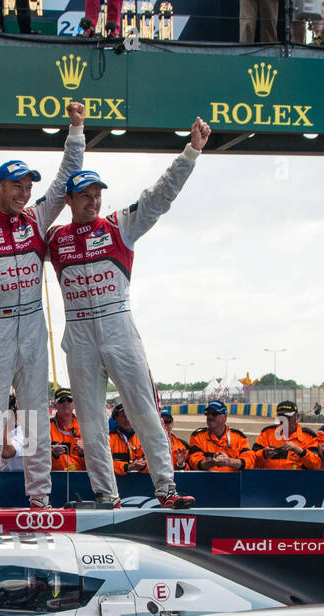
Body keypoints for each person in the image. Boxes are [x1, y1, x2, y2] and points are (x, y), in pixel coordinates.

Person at [46, 117, 213, 509]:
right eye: (84, 194)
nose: (93, 200)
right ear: (68, 201)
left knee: (143, 409)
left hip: (119, 325)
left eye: (97, 193)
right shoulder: (54, 238)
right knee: (90, 421)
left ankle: (166, 488)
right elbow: (11, 245)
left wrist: (191, 153)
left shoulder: (120, 225)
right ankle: (107, 494)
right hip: (79, 333)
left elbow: (159, 196)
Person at [0, 101, 84, 510]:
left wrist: (76, 131)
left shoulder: (35, 217)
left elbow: (67, 176)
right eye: (17, 185)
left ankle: (40, 498)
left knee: (35, 417)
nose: (25, 191)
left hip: (32, 322)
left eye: (28, 185)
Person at [188, 400, 254, 472]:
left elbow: (249, 461)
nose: (210, 416)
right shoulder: (197, 437)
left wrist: (229, 461)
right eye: (208, 413)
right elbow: (194, 462)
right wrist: (212, 463)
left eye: (214, 414)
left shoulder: (239, 438)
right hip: (206, 480)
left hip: (232, 480)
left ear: (225, 417)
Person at [254, 400, 320, 469]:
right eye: (281, 417)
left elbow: (316, 465)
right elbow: (252, 461)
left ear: (297, 416)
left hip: (297, 479)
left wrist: (300, 451)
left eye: (288, 417)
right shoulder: (267, 433)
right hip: (270, 478)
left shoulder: (309, 436)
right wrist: (264, 454)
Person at [50, 386, 85, 472]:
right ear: (55, 405)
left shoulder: (84, 428)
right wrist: (54, 455)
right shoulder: (46, 427)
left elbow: (95, 463)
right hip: (56, 478)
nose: (65, 403)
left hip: (81, 477)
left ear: (74, 404)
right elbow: (39, 461)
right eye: (61, 400)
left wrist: (83, 454)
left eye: (69, 400)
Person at [108, 404, 146, 475]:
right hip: (117, 484)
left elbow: (154, 462)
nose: (127, 419)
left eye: (130, 415)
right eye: (123, 416)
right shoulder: (109, 439)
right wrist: (127, 467)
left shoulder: (143, 437)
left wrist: (143, 466)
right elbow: (104, 464)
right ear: (116, 419)